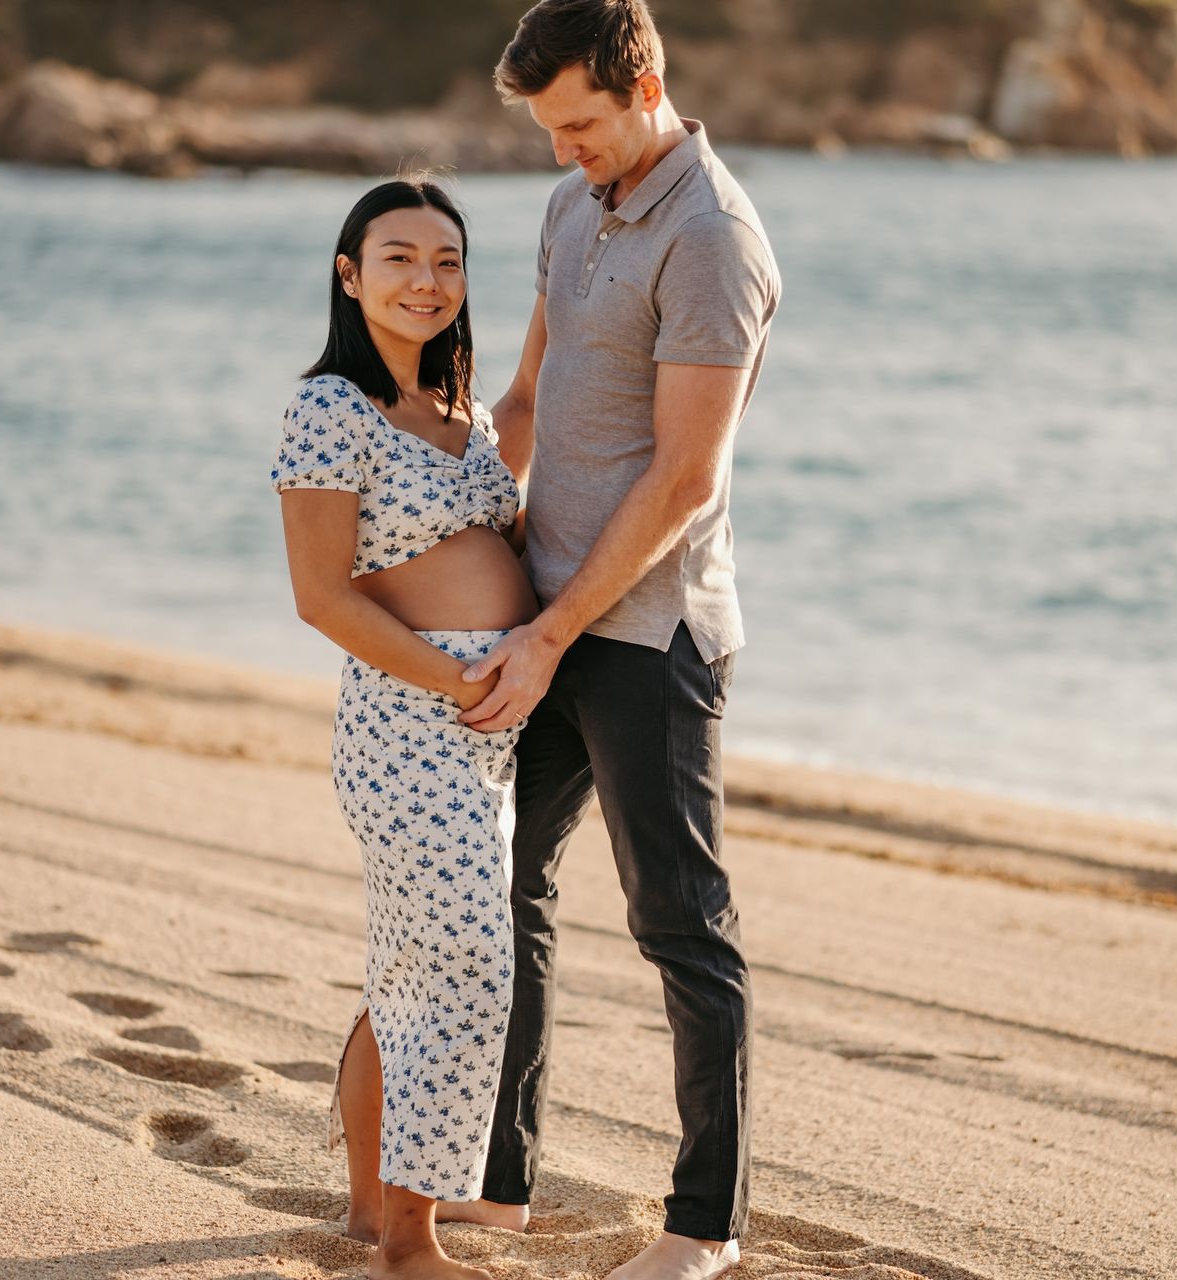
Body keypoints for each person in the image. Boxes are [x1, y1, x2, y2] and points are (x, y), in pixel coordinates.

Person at [436, 4, 783, 1278]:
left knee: (681, 920)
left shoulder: (713, 239)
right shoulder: (573, 207)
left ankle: (709, 1224)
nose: (565, 149)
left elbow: (685, 476)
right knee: (503, 885)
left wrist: (550, 633)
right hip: (541, 617)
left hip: (648, 634)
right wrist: (443, 548)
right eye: (547, 129)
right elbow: (523, 402)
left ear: (648, 82)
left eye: (581, 123)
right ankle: (500, 1177)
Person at [273, 177, 536, 1280]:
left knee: (410, 968)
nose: (426, 280)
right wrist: (455, 678)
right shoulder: (328, 407)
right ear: (350, 274)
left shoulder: (459, 411)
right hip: (409, 721)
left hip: (486, 729)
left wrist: (572, 284)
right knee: (471, 963)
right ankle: (412, 1241)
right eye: (398, 258)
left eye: (448, 261)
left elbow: (525, 408)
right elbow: (323, 597)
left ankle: (372, 1210)